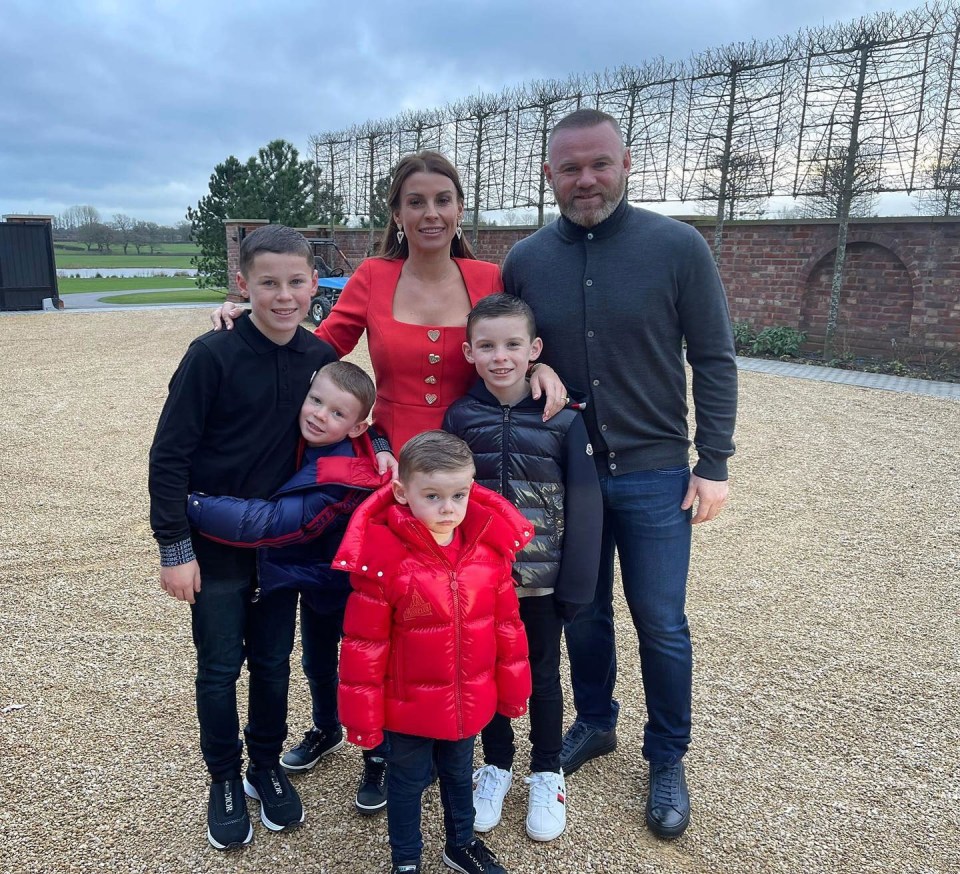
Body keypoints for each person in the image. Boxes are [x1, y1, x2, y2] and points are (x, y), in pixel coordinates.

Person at [211, 151, 564, 810]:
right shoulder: (373, 277)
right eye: (415, 201)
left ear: (459, 208)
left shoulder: (490, 275)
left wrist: (544, 372)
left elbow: (517, 342)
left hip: (467, 481)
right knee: (378, 616)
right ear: (397, 214)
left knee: (460, 615)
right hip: (387, 479)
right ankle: (375, 745)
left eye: (442, 200)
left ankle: (454, 740)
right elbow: (318, 348)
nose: (430, 213)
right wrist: (249, 325)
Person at [502, 108, 738, 840]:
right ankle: (596, 721)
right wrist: (536, 361)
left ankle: (667, 756)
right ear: (549, 175)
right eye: (569, 168)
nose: (585, 179)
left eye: (599, 163)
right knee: (584, 610)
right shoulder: (527, 260)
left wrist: (715, 463)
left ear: (627, 163)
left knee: (662, 622)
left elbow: (714, 357)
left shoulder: (677, 247)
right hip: (567, 472)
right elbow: (508, 340)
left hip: (655, 471)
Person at [148, 224, 338, 850]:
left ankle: (263, 765)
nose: (283, 296)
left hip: (280, 543)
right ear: (243, 284)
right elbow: (170, 456)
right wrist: (174, 549)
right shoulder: (212, 354)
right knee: (219, 667)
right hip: (217, 547)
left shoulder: (319, 359)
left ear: (314, 283)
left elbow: (353, 422)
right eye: (268, 283)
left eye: (294, 282)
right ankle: (224, 778)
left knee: (274, 663)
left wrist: (386, 450)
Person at [183, 361, 393, 813]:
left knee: (365, 669)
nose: (319, 415)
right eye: (315, 400)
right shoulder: (320, 437)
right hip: (316, 575)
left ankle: (379, 753)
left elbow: (273, 523)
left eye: (336, 413)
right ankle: (326, 728)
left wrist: (189, 503)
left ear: (354, 425)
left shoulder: (345, 474)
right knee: (316, 661)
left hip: (356, 585)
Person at [441, 294, 602, 842]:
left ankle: (547, 771)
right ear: (469, 352)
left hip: (542, 585)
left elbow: (585, 505)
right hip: (482, 585)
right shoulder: (461, 417)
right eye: (486, 346)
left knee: (542, 677)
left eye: (512, 345)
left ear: (535, 350)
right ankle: (498, 765)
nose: (500, 357)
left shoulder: (565, 419)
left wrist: (576, 585)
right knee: (486, 673)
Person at [334, 431, 533, 874]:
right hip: (407, 707)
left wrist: (513, 691)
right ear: (402, 493)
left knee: (461, 773)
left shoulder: (487, 551)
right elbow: (363, 650)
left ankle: (460, 843)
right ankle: (406, 859)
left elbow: (507, 628)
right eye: (433, 495)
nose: (449, 508)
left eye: (459, 494)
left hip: (467, 699)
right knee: (406, 783)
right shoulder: (385, 560)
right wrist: (363, 720)